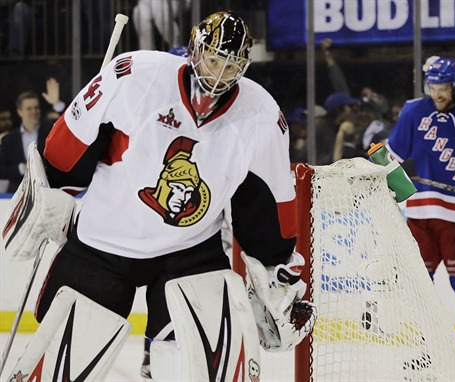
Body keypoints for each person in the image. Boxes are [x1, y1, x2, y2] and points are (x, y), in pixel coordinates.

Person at [27, 10, 314, 380]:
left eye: (230, 66)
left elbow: (267, 200)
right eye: (213, 60)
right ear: (196, 51)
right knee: (61, 366)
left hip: (189, 253)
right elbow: (72, 139)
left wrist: (275, 263)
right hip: (103, 242)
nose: (218, 74)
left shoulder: (261, 116)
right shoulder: (136, 74)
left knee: (190, 371)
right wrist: (53, 187)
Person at [385, 57, 455, 350]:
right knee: (420, 285)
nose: (438, 93)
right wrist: (376, 176)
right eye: (433, 86)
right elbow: (391, 157)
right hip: (421, 214)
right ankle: (424, 348)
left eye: (444, 88)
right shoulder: (414, 111)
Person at [0, 79, 64, 192]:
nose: (34, 111)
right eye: (29, 108)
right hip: (15, 195)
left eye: (36, 107)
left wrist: (57, 103)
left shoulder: (51, 130)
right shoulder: (8, 140)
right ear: (20, 111)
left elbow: (66, 124)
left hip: (47, 192)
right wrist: (21, 168)